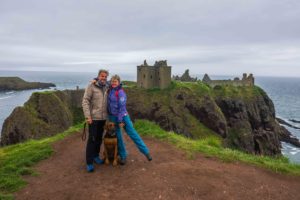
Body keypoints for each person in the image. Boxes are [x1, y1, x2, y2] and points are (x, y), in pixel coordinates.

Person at [107, 74, 152, 165]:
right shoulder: (110, 89)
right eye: (112, 81)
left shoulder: (120, 92)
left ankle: (146, 152)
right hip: (112, 116)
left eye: (115, 81)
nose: (113, 83)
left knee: (132, 133)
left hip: (122, 116)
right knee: (118, 137)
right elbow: (103, 83)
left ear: (119, 82)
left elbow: (122, 107)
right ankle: (123, 156)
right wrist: (95, 80)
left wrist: (120, 120)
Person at [82, 69, 109, 172]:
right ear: (98, 76)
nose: (104, 78)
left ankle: (96, 156)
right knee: (92, 140)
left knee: (99, 139)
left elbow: (117, 84)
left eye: (105, 77)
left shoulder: (107, 86)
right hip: (93, 118)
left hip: (103, 118)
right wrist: (88, 116)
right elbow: (85, 101)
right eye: (102, 76)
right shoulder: (91, 86)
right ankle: (89, 162)